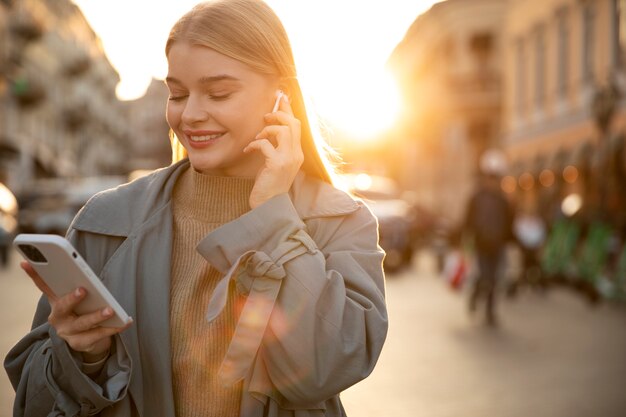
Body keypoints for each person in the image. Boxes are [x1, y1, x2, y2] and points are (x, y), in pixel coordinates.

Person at [4, 1, 388, 416]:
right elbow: (31, 402)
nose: (190, 115)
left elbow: (326, 370)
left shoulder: (341, 222)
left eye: (218, 93)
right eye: (178, 94)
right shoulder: (106, 222)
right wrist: (81, 356)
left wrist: (274, 218)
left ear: (282, 97)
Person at [462, 149, 514, 326]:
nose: (492, 181)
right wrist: (462, 239)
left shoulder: (503, 200)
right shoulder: (476, 197)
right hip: (481, 244)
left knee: (494, 279)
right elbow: (467, 220)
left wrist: (511, 241)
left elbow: (509, 222)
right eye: (490, 177)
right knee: (485, 276)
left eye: (495, 178)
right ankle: (475, 295)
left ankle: (490, 312)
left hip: (497, 245)